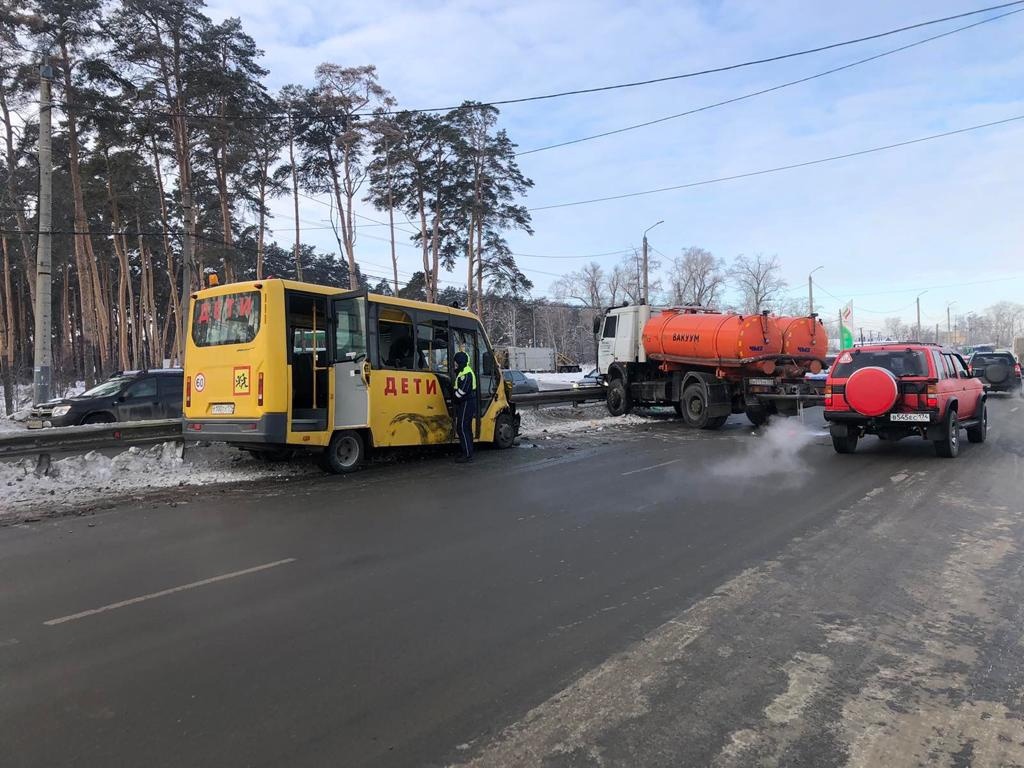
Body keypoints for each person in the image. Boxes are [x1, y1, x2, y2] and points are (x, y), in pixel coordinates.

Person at [452, 350, 477, 463]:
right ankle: (468, 451)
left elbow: (463, 391)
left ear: (460, 362)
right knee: (466, 428)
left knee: (462, 427)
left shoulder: (466, 373)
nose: (454, 364)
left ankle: (467, 454)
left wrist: (455, 397)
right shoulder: (462, 372)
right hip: (466, 402)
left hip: (467, 402)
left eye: (456, 362)